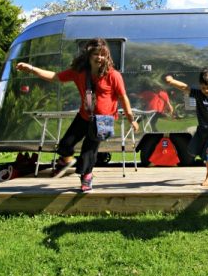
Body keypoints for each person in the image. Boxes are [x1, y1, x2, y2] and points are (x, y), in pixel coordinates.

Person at [16, 38, 139, 192]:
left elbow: (123, 97)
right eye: (96, 54)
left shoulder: (113, 75)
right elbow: (55, 77)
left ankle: (87, 177)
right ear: (89, 55)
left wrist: (131, 119)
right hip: (84, 116)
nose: (99, 57)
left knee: (89, 151)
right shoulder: (79, 72)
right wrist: (32, 69)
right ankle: (67, 160)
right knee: (65, 145)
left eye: (103, 55)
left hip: (103, 120)